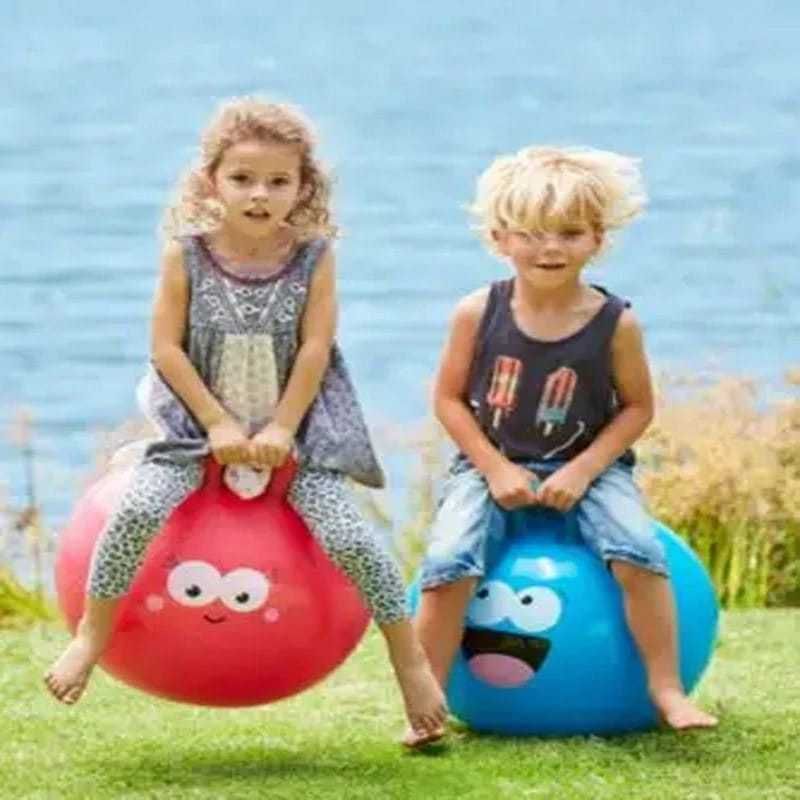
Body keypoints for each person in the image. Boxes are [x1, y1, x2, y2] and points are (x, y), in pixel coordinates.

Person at [44, 96, 446, 747]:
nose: (260, 194)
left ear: (303, 186)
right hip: (194, 429)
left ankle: (410, 663)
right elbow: (166, 349)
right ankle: (93, 634)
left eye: (278, 181)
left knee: (351, 538)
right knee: (138, 511)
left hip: (297, 432)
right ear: (212, 181)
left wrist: (283, 429)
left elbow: (314, 349)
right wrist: (217, 426)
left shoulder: (313, 256)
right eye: (242, 178)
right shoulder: (186, 255)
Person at [414, 146, 718, 731]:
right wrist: (495, 468)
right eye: (530, 234)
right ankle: (424, 704)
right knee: (449, 560)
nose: (549, 248)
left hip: (592, 468)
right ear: (500, 238)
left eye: (569, 233)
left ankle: (667, 690)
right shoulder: (477, 313)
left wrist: (582, 470)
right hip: (489, 464)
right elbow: (448, 400)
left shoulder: (616, 323)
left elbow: (637, 408)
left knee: (638, 550)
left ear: (597, 239)